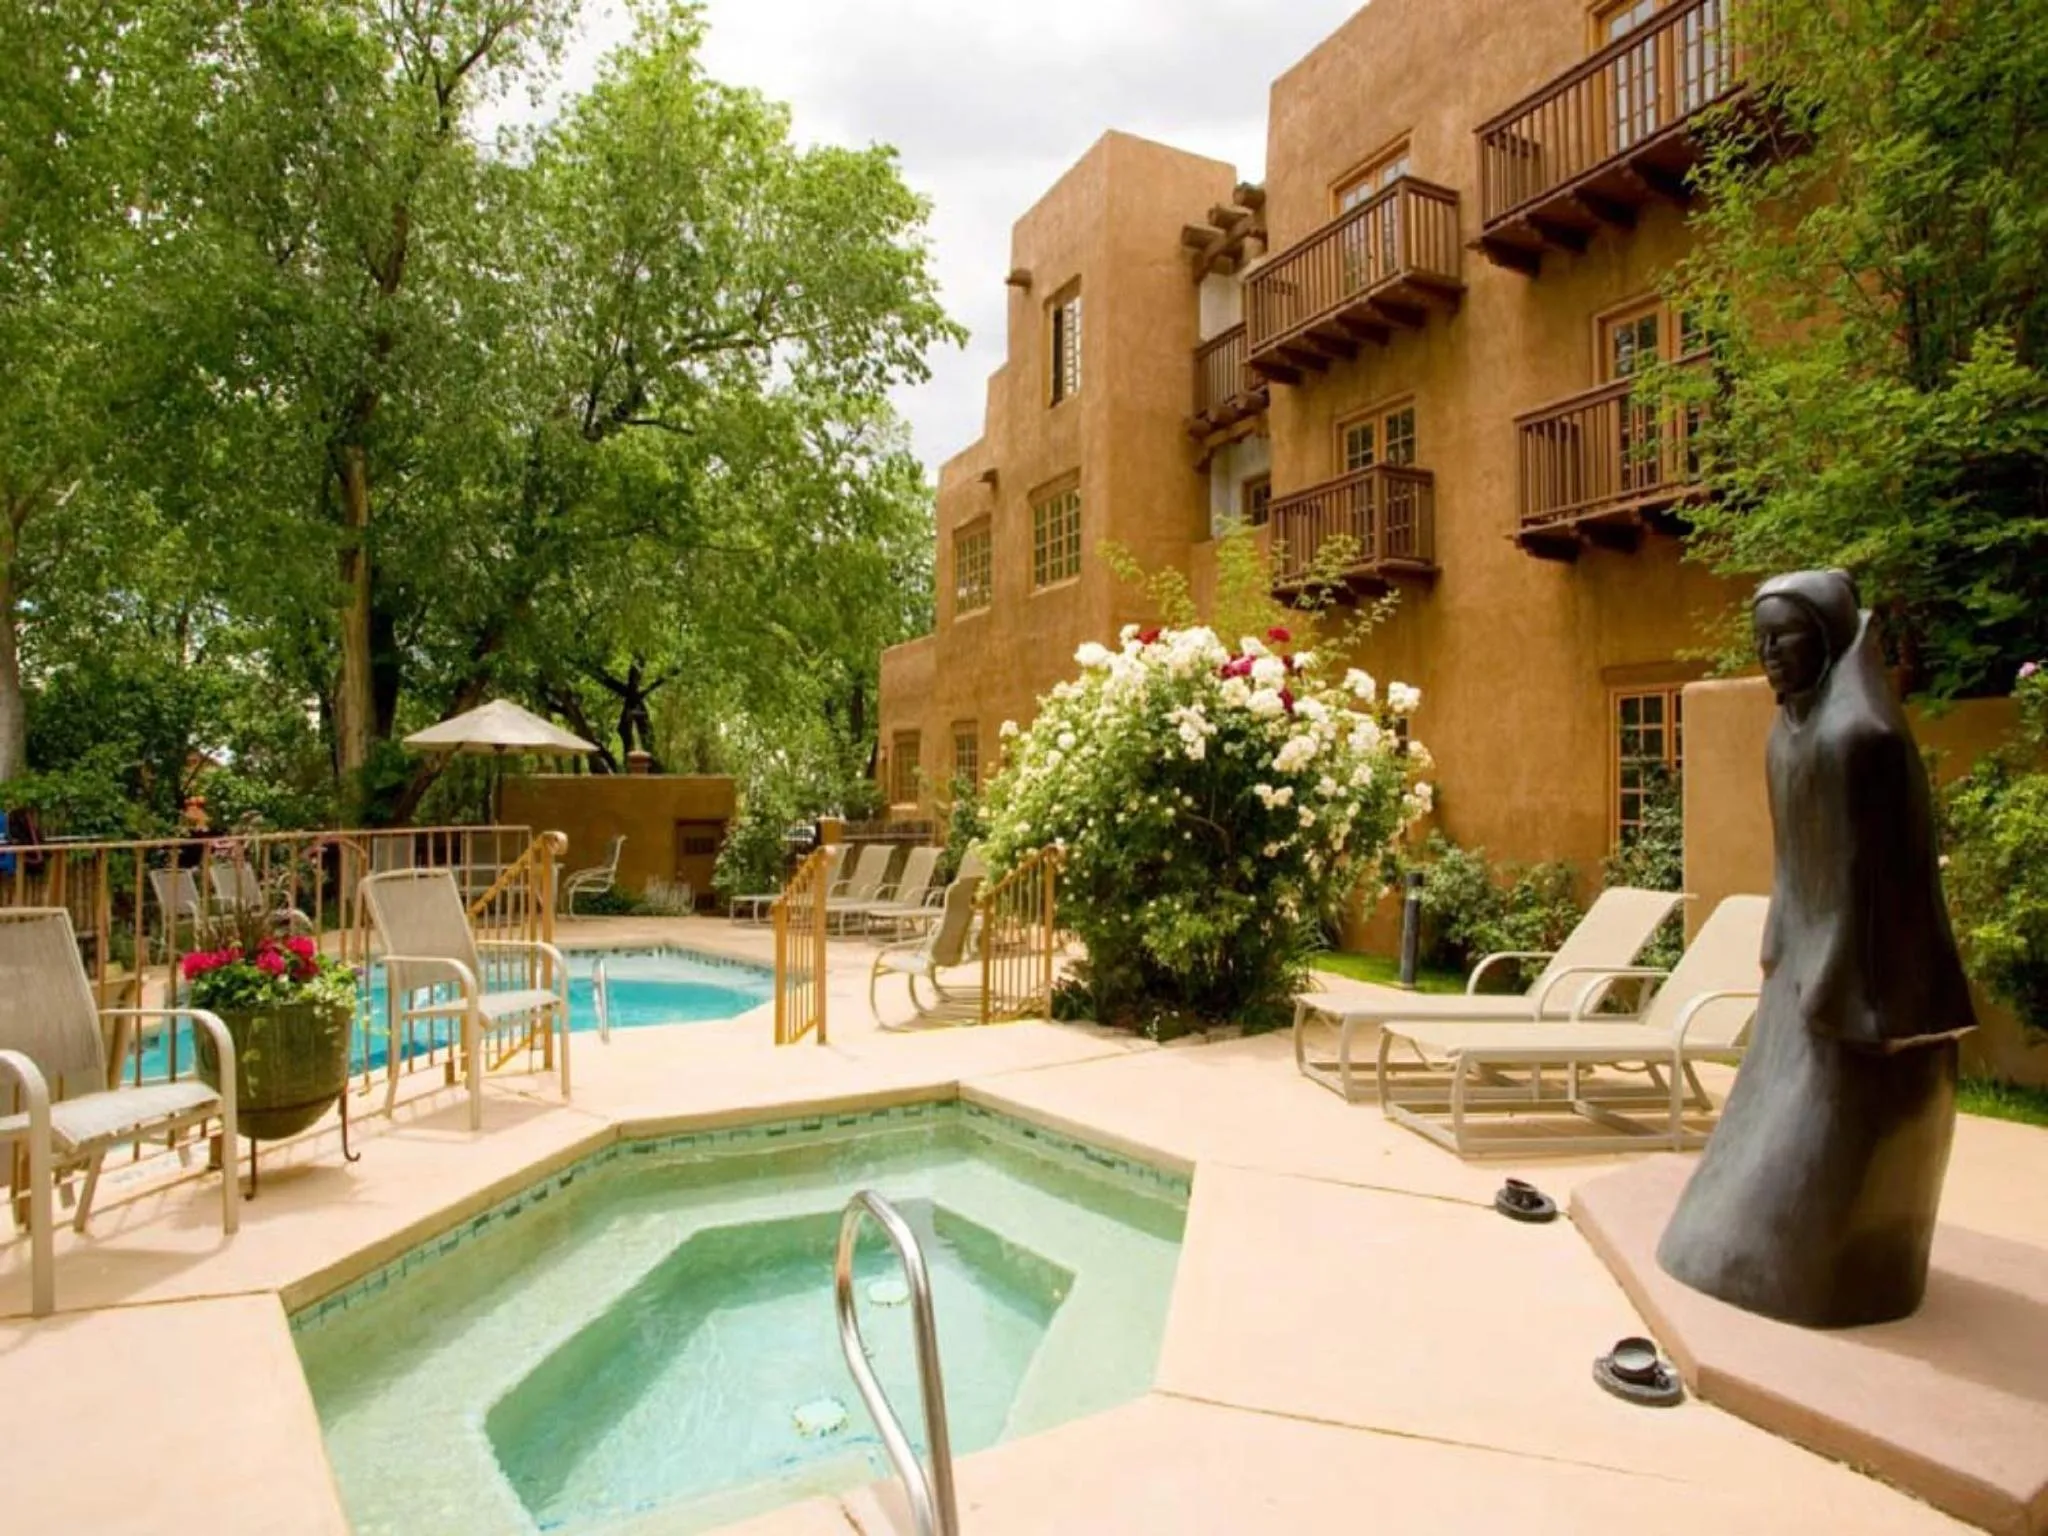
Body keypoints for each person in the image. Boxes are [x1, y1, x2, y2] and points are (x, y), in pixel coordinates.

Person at [1657, 569, 1977, 1328]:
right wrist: (1778, 936)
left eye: (1786, 639)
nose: (1769, 655)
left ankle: (1819, 1266)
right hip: (1800, 956)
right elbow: (1791, 858)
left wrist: (1837, 973)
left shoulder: (1859, 737)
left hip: (1861, 973)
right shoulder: (1787, 733)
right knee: (1755, 1145)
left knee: (1820, 1141)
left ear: (1828, 638)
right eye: (1761, 641)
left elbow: (1873, 879)